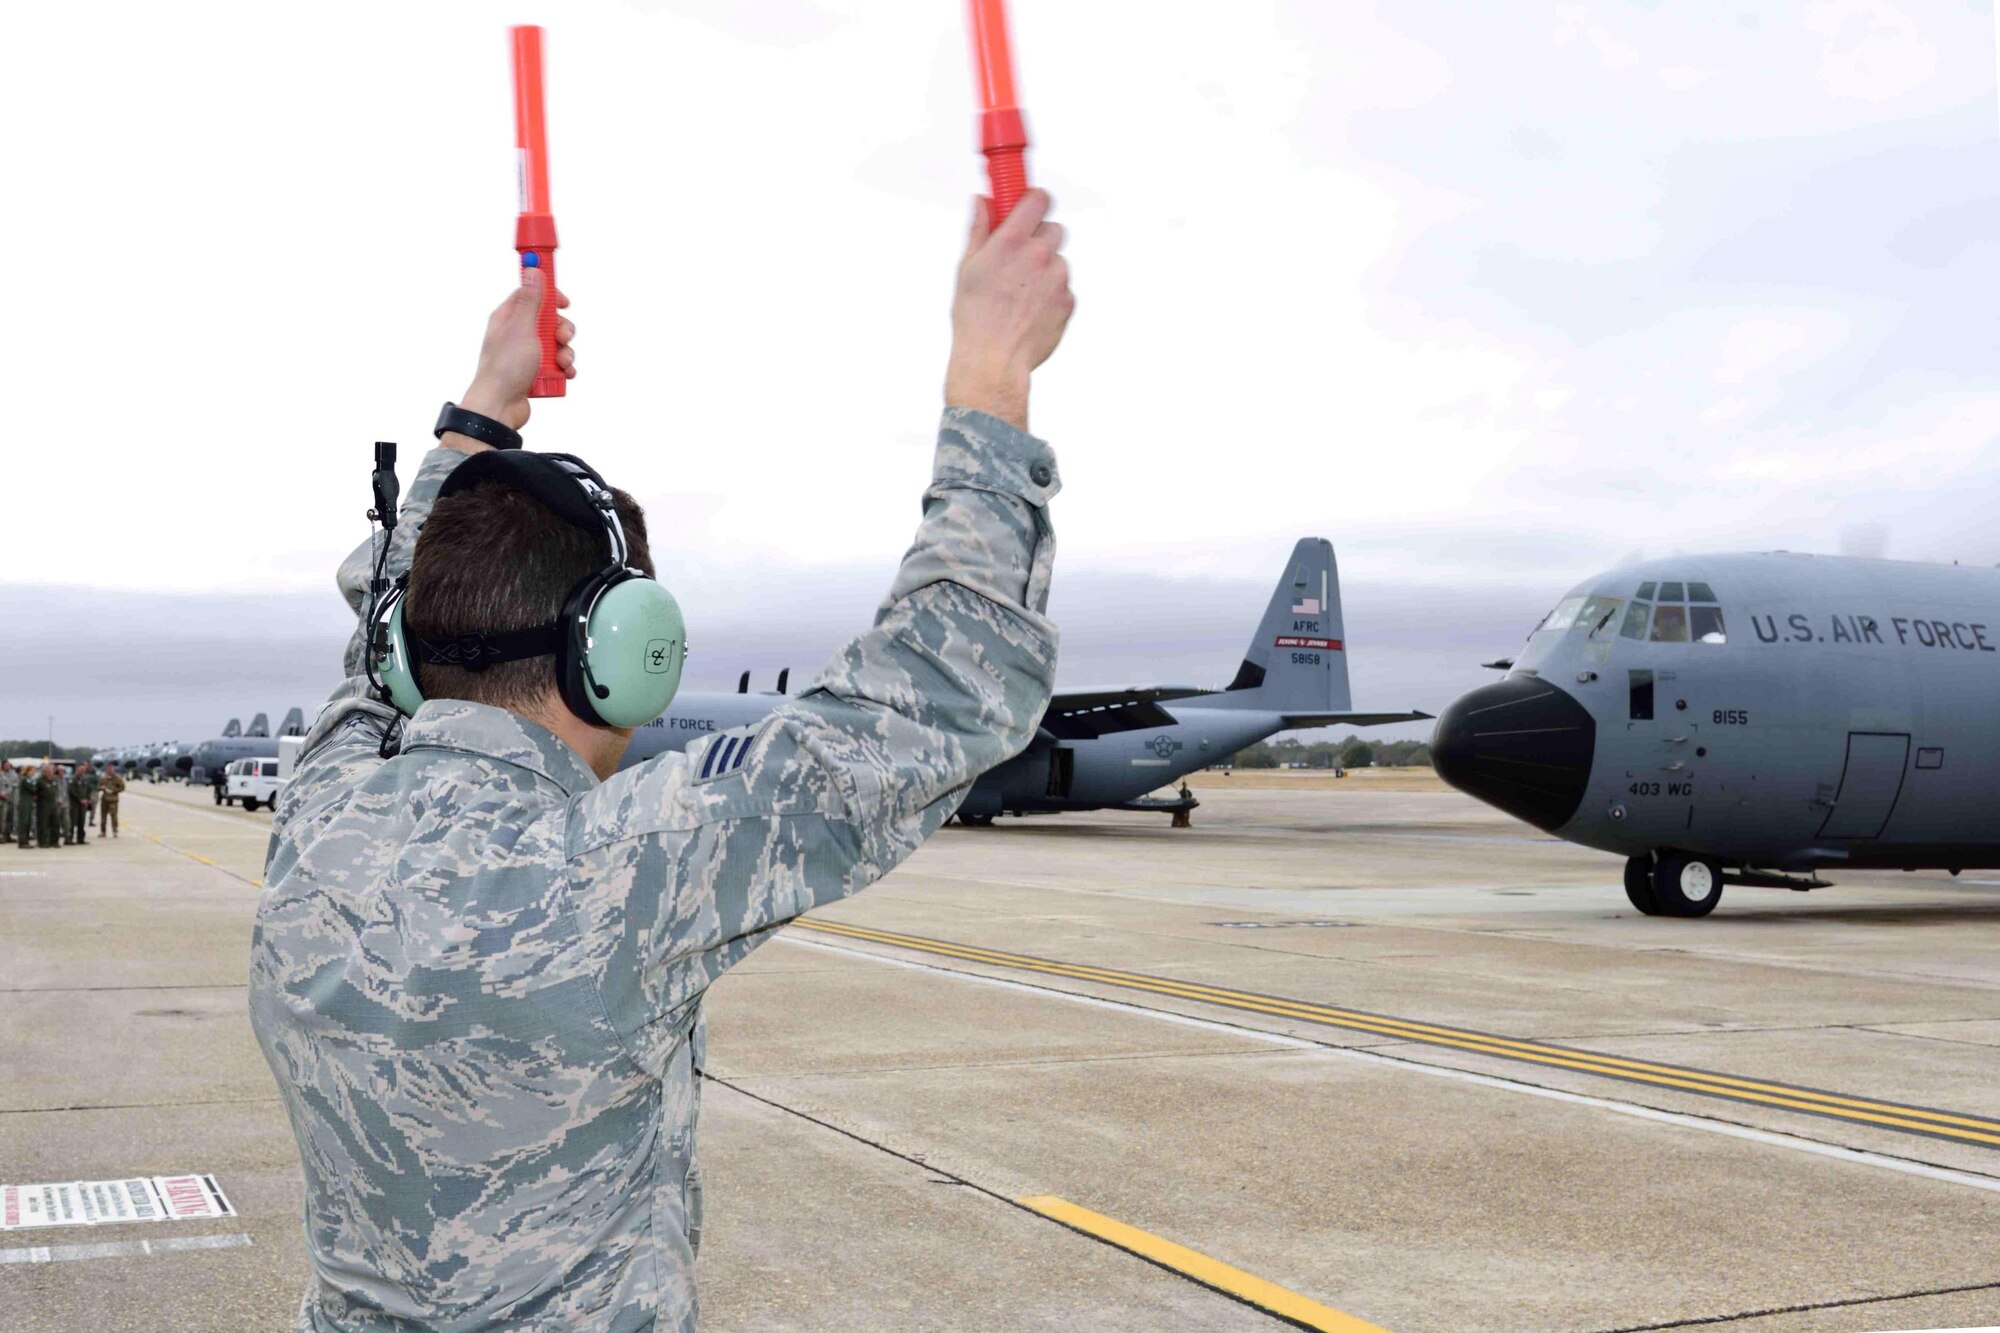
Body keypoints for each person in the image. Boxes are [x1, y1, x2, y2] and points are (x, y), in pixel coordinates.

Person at [249, 191, 1072, 1333]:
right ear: (619, 657)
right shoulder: (606, 872)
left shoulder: (320, 819)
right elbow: (944, 681)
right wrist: (991, 369)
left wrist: (482, 404)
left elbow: (382, 635)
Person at [68, 761, 95, 844]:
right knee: (73, 822)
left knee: (82, 822)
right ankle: (69, 838)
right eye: (81, 769)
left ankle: (81, 839)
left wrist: (87, 799)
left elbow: (89, 789)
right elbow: (72, 791)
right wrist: (80, 799)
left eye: (84, 769)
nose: (82, 771)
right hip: (75, 804)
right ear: (77, 769)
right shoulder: (72, 779)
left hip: (83, 804)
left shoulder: (85, 779)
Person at [36, 765, 62, 848]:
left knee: (55, 822)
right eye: (48, 771)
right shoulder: (39, 780)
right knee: (43, 823)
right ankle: (42, 842)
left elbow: (58, 790)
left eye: (51, 771)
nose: (50, 773)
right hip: (43, 804)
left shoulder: (55, 779)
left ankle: (54, 841)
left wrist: (59, 800)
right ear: (44, 772)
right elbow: (34, 791)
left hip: (53, 803)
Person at [98, 762, 125, 838]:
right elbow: (99, 786)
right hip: (104, 799)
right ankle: (103, 832)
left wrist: (114, 790)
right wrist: (101, 788)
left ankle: (115, 831)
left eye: (111, 768)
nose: (109, 770)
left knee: (114, 816)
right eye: (108, 769)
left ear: (113, 769)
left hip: (113, 800)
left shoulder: (117, 778)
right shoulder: (104, 778)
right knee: (103, 817)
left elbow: (122, 788)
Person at [14, 765, 37, 848]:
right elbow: (32, 789)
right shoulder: (25, 779)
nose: (34, 772)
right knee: (24, 822)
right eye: (33, 771)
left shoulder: (29, 779)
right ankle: (22, 842)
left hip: (28, 802)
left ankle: (25, 841)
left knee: (27, 822)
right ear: (28, 771)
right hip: (24, 802)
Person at [0, 760, 15, 839]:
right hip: (2, 800)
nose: (8, 766)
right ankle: (2, 835)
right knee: (3, 818)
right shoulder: (1, 774)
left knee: (10, 817)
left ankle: (8, 835)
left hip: (11, 799)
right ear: (3, 766)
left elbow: (16, 784)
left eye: (9, 765)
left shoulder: (13, 774)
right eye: (6, 765)